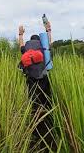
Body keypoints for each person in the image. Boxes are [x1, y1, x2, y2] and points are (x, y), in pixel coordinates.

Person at [18, 22, 57, 152]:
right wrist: (48, 30)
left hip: (31, 81)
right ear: (39, 40)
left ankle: (35, 129)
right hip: (44, 80)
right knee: (46, 102)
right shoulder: (43, 47)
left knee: (34, 104)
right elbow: (50, 44)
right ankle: (48, 124)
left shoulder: (27, 49)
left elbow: (21, 46)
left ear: (31, 41)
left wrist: (20, 33)